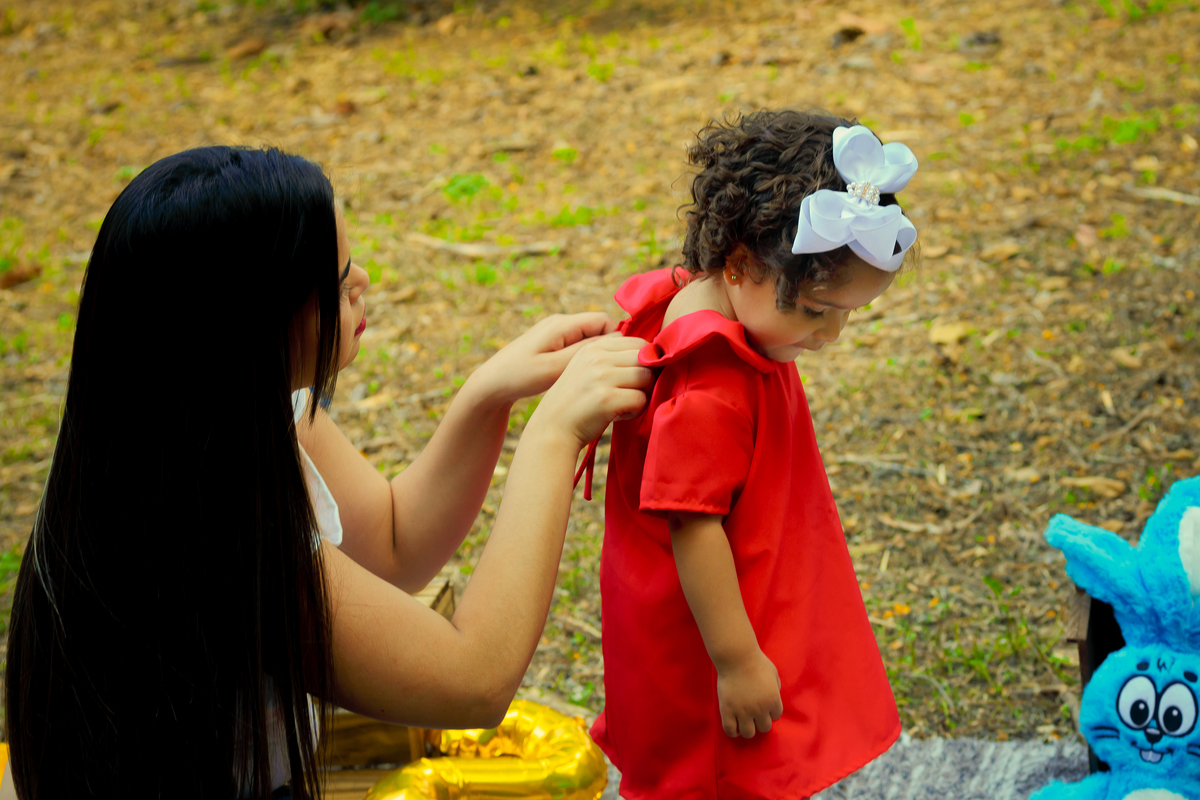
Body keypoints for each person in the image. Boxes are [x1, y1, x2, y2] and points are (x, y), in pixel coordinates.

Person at [2, 146, 651, 799]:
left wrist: (486, 397)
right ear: (259, 322)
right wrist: (552, 436)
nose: (362, 279)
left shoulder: (219, 417)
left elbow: (391, 546)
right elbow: (474, 680)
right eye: (337, 281)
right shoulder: (212, 522)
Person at [588, 111, 919, 799]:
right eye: (818, 310)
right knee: (720, 770)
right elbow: (693, 524)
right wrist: (737, 661)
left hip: (738, 585)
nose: (831, 335)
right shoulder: (711, 387)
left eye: (849, 314)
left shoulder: (726, 308)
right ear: (740, 264)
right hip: (711, 628)